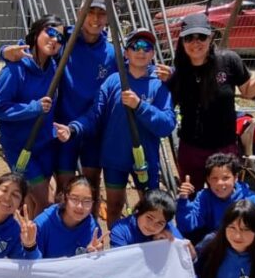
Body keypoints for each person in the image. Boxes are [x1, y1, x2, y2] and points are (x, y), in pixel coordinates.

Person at [0, 0, 116, 206]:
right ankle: (57, 226)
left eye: (102, 13)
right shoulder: (65, 39)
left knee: (90, 188)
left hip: (92, 128)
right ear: (80, 13)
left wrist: (169, 74)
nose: (95, 18)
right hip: (61, 129)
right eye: (90, 11)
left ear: (109, 17)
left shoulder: (112, 52)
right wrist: (4, 51)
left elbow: (137, 67)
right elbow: (36, 44)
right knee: (63, 189)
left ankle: (87, 226)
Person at [55, 28, 176, 228]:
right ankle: (115, 243)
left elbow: (166, 125)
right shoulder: (113, 81)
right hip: (115, 159)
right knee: (114, 207)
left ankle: (144, 243)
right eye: (135, 46)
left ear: (153, 54)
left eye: (147, 47)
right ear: (126, 53)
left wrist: (140, 106)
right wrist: (73, 128)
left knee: (150, 209)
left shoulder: (159, 85)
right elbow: (94, 115)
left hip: (146, 160)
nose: (141, 51)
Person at [167, 13, 255, 190]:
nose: (195, 43)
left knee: (224, 195)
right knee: (192, 195)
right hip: (191, 148)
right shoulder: (178, 71)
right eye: (189, 37)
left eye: (201, 37)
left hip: (224, 147)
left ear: (211, 37)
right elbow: (166, 108)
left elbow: (247, 91)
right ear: (182, 41)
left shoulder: (229, 61)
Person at [0, 14, 65, 216]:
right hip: (20, 147)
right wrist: (33, 108)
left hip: (44, 144)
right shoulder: (15, 69)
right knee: (45, 201)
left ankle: (27, 234)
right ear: (37, 32)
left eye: (60, 38)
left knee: (31, 201)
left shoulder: (53, 67)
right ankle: (37, 236)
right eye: (50, 32)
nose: (55, 39)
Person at [176, 153, 255, 263]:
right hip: (219, 247)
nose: (220, 183)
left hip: (245, 251)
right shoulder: (205, 197)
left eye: (225, 178)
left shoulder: (250, 200)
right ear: (208, 180)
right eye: (214, 178)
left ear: (235, 178)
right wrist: (183, 200)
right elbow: (186, 226)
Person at [13, 175, 103, 257]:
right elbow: (32, 264)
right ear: (65, 198)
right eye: (74, 199)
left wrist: (93, 255)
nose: (80, 206)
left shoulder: (93, 228)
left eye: (87, 201)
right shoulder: (43, 224)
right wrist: (30, 246)